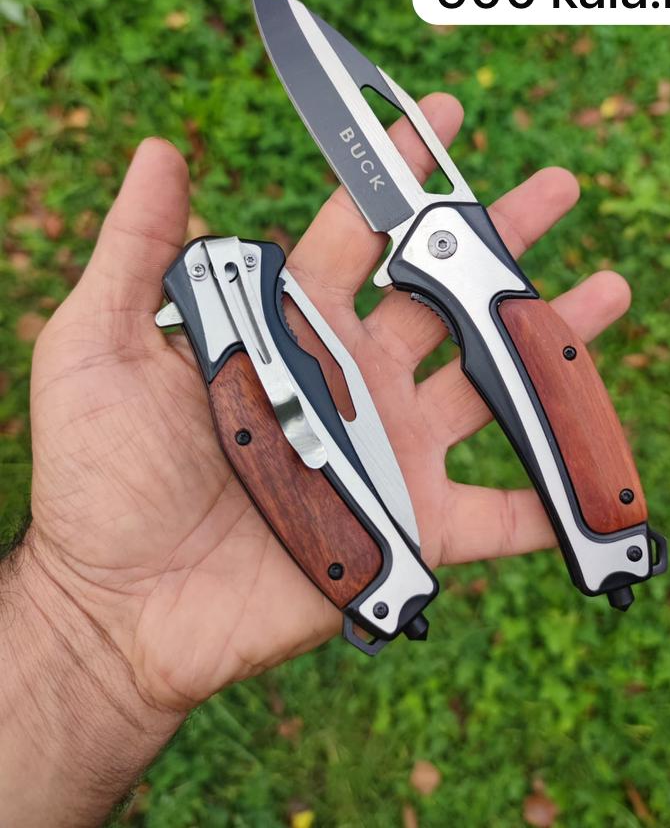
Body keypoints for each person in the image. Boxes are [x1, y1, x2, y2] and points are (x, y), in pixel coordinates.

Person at [0, 94, 631, 826]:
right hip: (351, 556)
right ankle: (594, 548)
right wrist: (76, 617)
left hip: (355, 559)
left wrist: (74, 626)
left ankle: (600, 543)